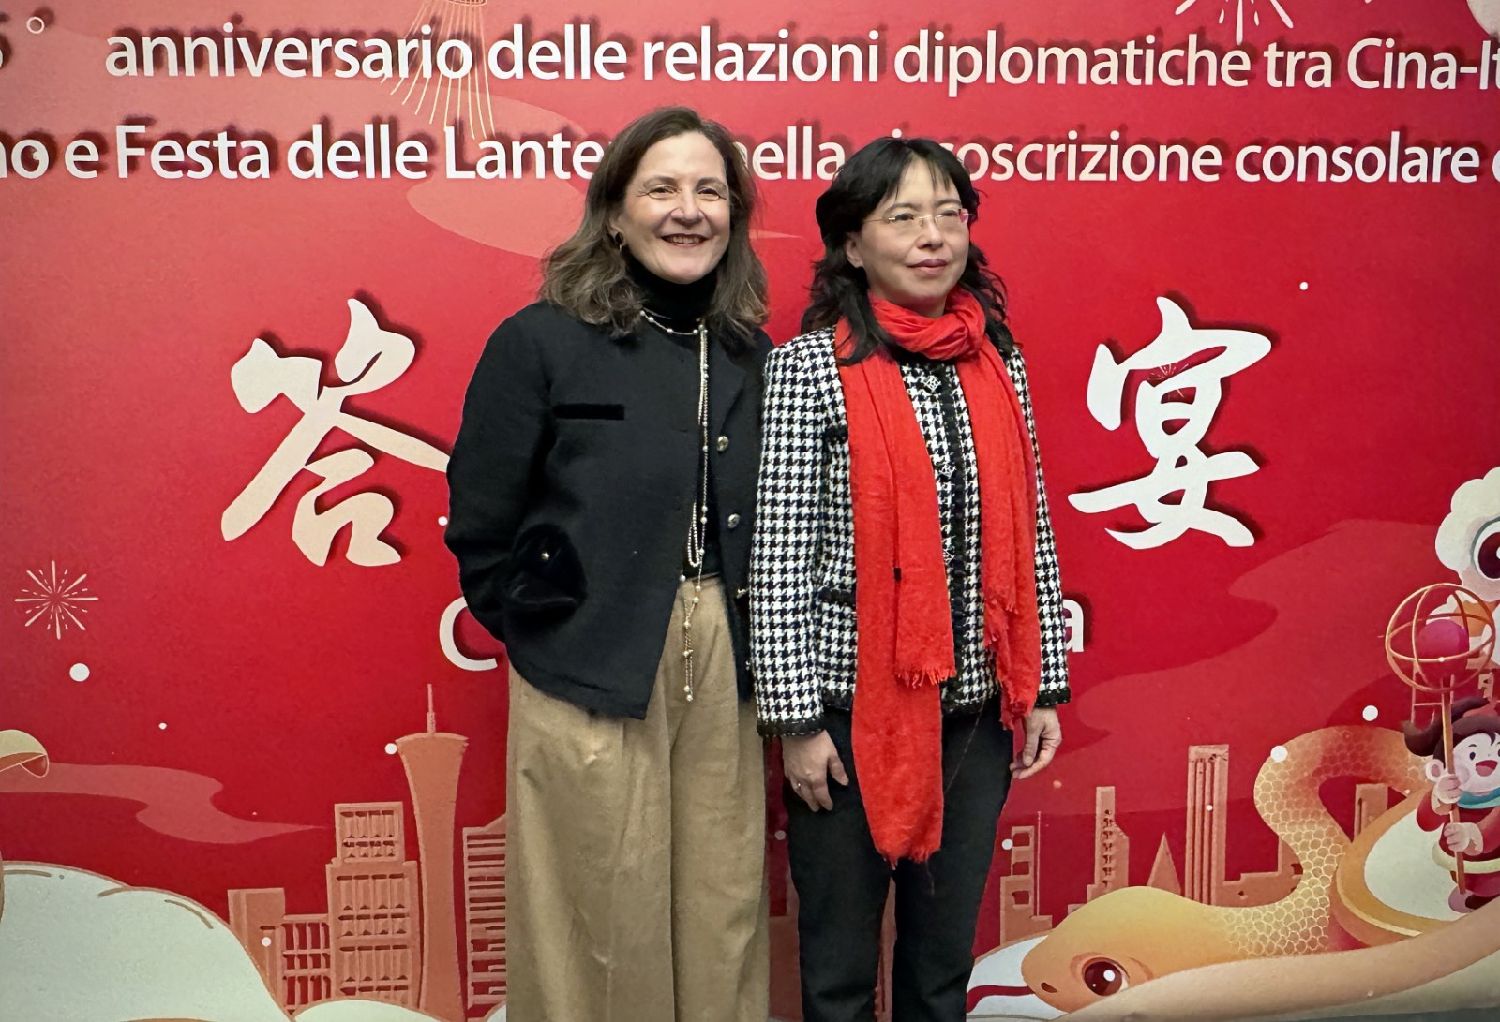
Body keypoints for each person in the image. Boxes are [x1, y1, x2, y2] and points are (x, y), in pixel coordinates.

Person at [445, 106, 771, 1022]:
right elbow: (482, 520)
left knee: (723, 908)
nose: (688, 210)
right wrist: (545, 625)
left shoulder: (752, 353)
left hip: (728, 654)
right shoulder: (540, 340)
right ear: (615, 212)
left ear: (735, 215)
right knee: (598, 909)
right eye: (661, 189)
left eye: (710, 191)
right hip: (589, 655)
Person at [751, 136, 1072, 1022]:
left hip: (974, 714)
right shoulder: (810, 368)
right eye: (904, 218)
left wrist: (1042, 684)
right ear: (854, 246)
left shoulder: (997, 361)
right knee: (839, 970)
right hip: (850, 713)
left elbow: (1031, 529)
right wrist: (796, 724)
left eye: (949, 215)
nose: (933, 237)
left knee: (940, 967)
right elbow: (778, 553)